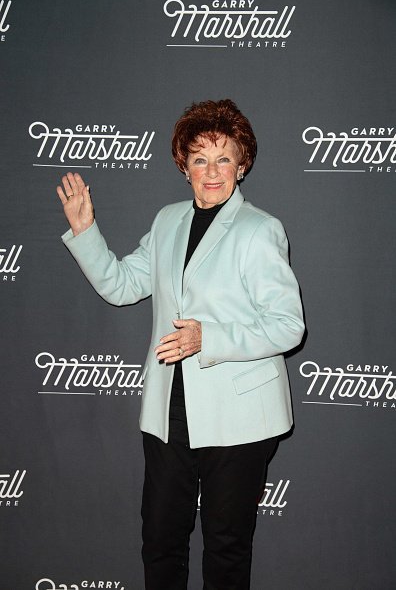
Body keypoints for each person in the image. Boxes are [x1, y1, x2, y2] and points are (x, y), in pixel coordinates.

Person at [56, 99, 304, 590]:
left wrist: (206, 338)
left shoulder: (260, 230)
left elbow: (288, 326)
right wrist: (85, 231)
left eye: (224, 158)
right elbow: (123, 285)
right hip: (170, 412)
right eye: (199, 158)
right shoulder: (168, 220)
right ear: (183, 164)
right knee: (161, 541)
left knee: (226, 547)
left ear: (242, 163)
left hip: (240, 417)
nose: (212, 171)